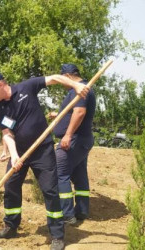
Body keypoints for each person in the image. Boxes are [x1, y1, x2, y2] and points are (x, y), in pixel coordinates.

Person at [0, 70, 89, 250]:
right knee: (11, 186)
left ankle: (57, 235)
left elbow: (54, 78)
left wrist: (75, 85)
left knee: (50, 191)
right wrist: (14, 156)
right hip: (20, 152)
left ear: (0, 84)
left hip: (42, 151)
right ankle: (11, 226)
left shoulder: (26, 87)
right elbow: (7, 133)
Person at [51, 64, 96, 225]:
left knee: (60, 174)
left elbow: (80, 112)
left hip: (74, 140)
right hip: (83, 139)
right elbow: (75, 111)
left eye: (62, 79)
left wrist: (68, 135)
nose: (62, 83)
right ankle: (82, 210)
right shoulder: (84, 89)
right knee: (79, 174)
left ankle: (67, 215)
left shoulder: (80, 89)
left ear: (68, 76)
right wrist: (59, 115)